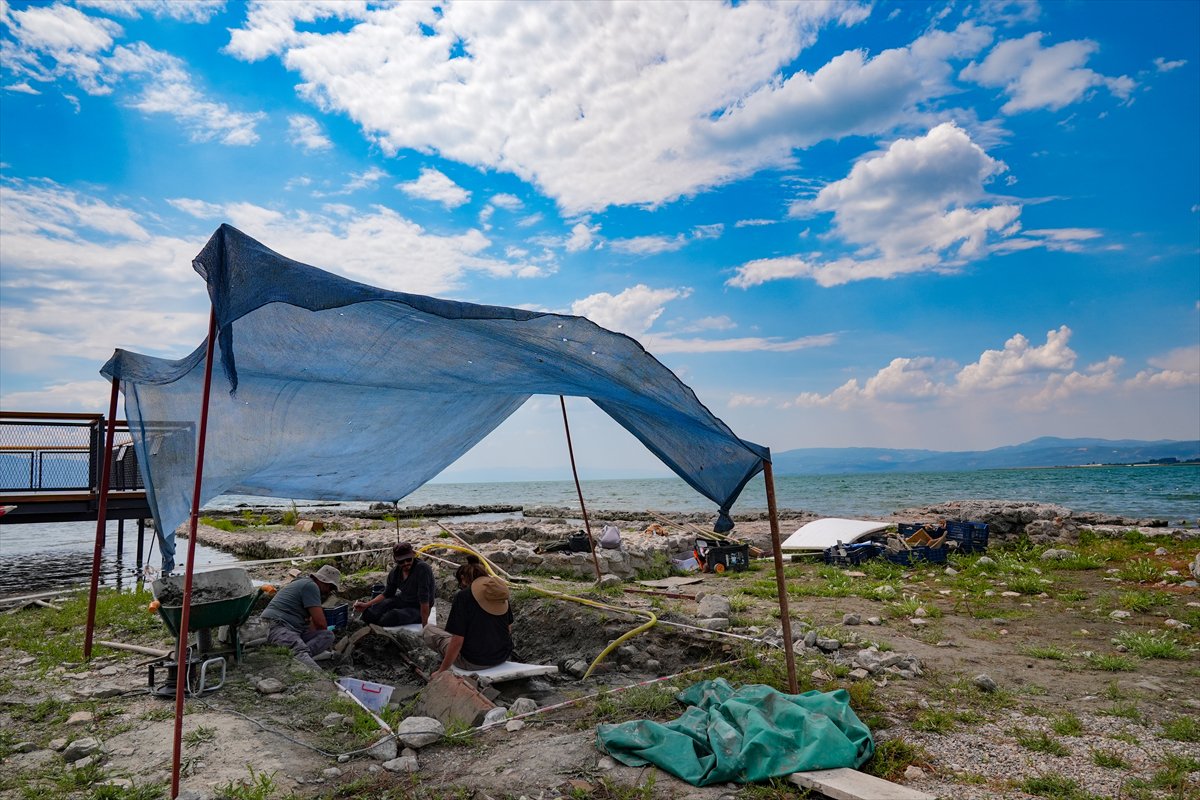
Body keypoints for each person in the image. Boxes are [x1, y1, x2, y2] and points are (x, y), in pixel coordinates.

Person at [423, 557, 513, 673]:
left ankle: (445, 660)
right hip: (502, 657)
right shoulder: (498, 594)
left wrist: (441, 671)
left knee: (429, 630)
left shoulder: (463, 597)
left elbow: (457, 641)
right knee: (447, 628)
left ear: (463, 579)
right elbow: (508, 629)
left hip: (473, 662)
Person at [261, 564, 342, 670]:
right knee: (298, 650)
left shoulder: (305, 583)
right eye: (330, 587)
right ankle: (313, 670)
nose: (328, 592)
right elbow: (321, 623)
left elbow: (315, 626)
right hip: (277, 625)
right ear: (324, 582)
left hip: (290, 628)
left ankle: (297, 656)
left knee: (328, 635)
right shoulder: (311, 586)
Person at [353, 542, 435, 626]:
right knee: (372, 612)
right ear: (396, 560)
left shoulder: (422, 570)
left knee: (390, 617)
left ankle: (377, 627)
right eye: (401, 561)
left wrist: (425, 626)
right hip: (403, 600)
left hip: (418, 607)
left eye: (409, 559)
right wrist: (366, 605)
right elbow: (387, 594)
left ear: (413, 556)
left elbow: (424, 600)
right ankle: (362, 625)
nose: (406, 563)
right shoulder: (395, 572)